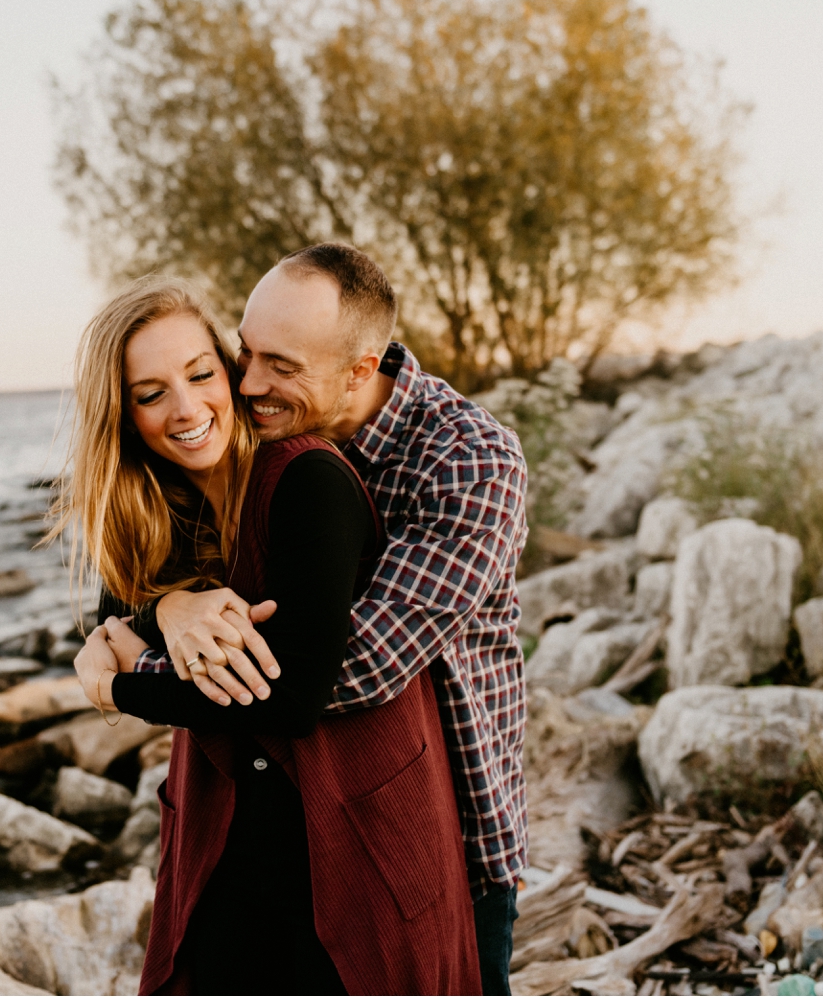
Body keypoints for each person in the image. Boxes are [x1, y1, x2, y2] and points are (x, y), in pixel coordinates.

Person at [115, 244, 531, 995]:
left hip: (449, 835)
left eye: (280, 365)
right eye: (245, 352)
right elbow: (142, 560)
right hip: (308, 819)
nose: (248, 383)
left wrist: (126, 675)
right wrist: (165, 607)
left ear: (358, 370)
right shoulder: (264, 430)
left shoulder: (469, 461)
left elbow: (346, 665)